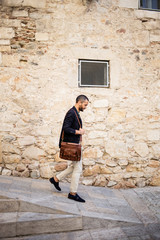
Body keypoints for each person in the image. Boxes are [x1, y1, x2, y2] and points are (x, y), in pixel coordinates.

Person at [49, 95, 89, 203]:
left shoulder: (76, 113)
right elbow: (66, 128)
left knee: (74, 167)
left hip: (74, 145)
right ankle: (72, 193)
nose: (85, 107)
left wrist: (79, 131)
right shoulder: (72, 113)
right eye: (85, 105)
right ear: (79, 102)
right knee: (78, 168)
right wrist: (78, 132)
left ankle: (56, 179)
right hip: (72, 146)